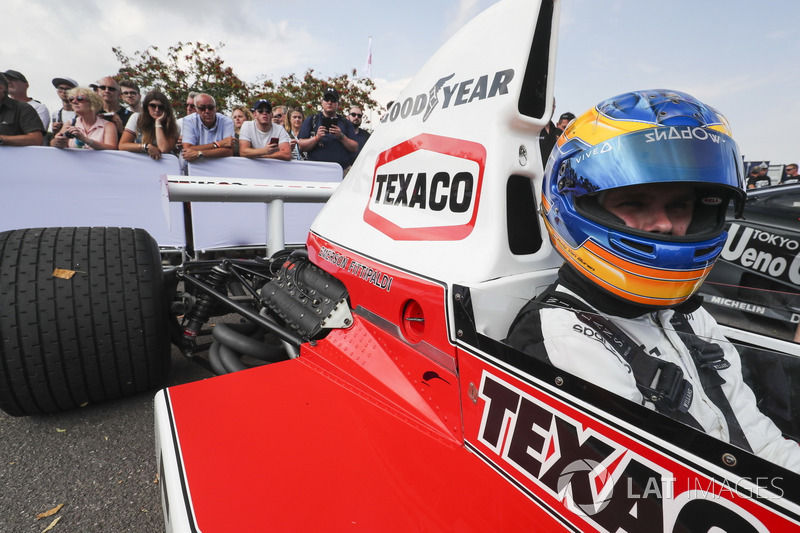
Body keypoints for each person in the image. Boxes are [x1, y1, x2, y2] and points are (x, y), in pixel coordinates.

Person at [506, 89, 800, 472]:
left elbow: (757, 435)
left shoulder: (687, 312)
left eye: (679, 205)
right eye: (634, 203)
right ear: (578, 206)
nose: (664, 224)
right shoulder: (565, 338)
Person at [298, 88, 358, 170]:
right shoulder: (312, 120)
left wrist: (341, 136)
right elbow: (301, 146)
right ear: (322, 102)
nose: (330, 102)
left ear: (338, 104)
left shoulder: (345, 123)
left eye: (333, 100)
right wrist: (316, 138)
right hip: (315, 169)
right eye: (327, 99)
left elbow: (354, 148)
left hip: (341, 170)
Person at [50, 87, 117, 150]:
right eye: (71, 99)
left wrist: (84, 139)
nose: (74, 101)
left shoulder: (108, 125)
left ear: (93, 103)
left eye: (79, 99)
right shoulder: (71, 123)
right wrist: (58, 141)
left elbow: (112, 148)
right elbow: (52, 144)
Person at [119, 90, 179, 160]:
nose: (157, 110)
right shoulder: (137, 118)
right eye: (153, 106)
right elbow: (122, 145)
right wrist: (145, 147)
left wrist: (158, 123)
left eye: (161, 107)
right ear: (146, 107)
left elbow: (163, 149)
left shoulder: (173, 126)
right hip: (142, 162)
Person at [180, 93, 234, 162]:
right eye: (202, 108)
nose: (207, 111)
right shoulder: (188, 121)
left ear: (216, 108)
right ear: (196, 110)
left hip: (220, 165)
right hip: (195, 166)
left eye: (210, 107)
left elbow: (229, 151)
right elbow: (187, 149)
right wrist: (218, 144)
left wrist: (200, 153)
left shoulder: (226, 121)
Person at [0, 73, 45, 146]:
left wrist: (2, 139)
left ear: (1, 88)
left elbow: (36, 139)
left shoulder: (22, 108)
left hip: (14, 156)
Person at [3, 69, 49, 134]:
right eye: (5, 80)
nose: (9, 82)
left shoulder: (39, 108)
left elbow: (38, 134)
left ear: (26, 85)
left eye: (13, 79)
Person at [537, 100, 559, 167]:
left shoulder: (560, 133)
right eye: (547, 104)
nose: (549, 108)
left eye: (551, 105)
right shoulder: (533, 130)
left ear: (554, 107)